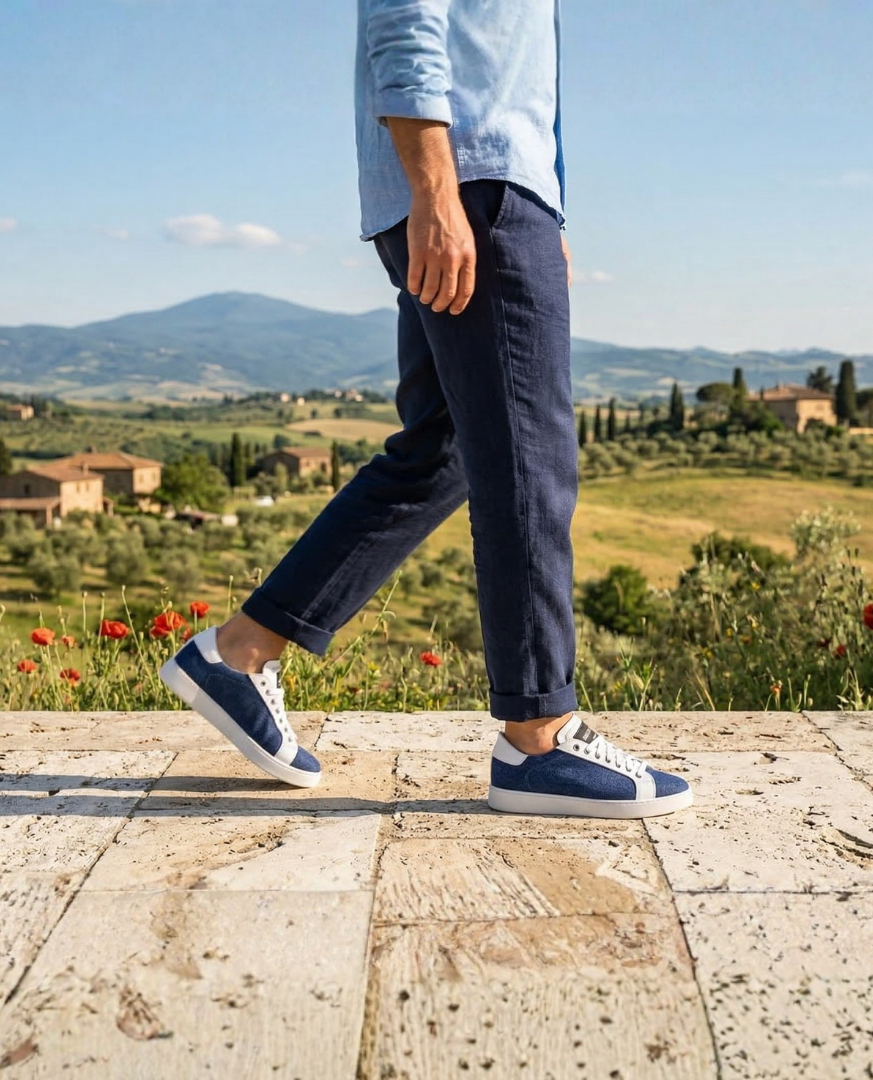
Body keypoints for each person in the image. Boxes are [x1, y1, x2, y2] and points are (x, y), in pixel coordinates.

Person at [159, 0, 692, 819]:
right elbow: (403, 18)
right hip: (472, 183)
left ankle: (240, 651)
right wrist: (439, 193)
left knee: (441, 452)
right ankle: (539, 738)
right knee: (529, 459)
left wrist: (547, 203)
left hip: (491, 185)